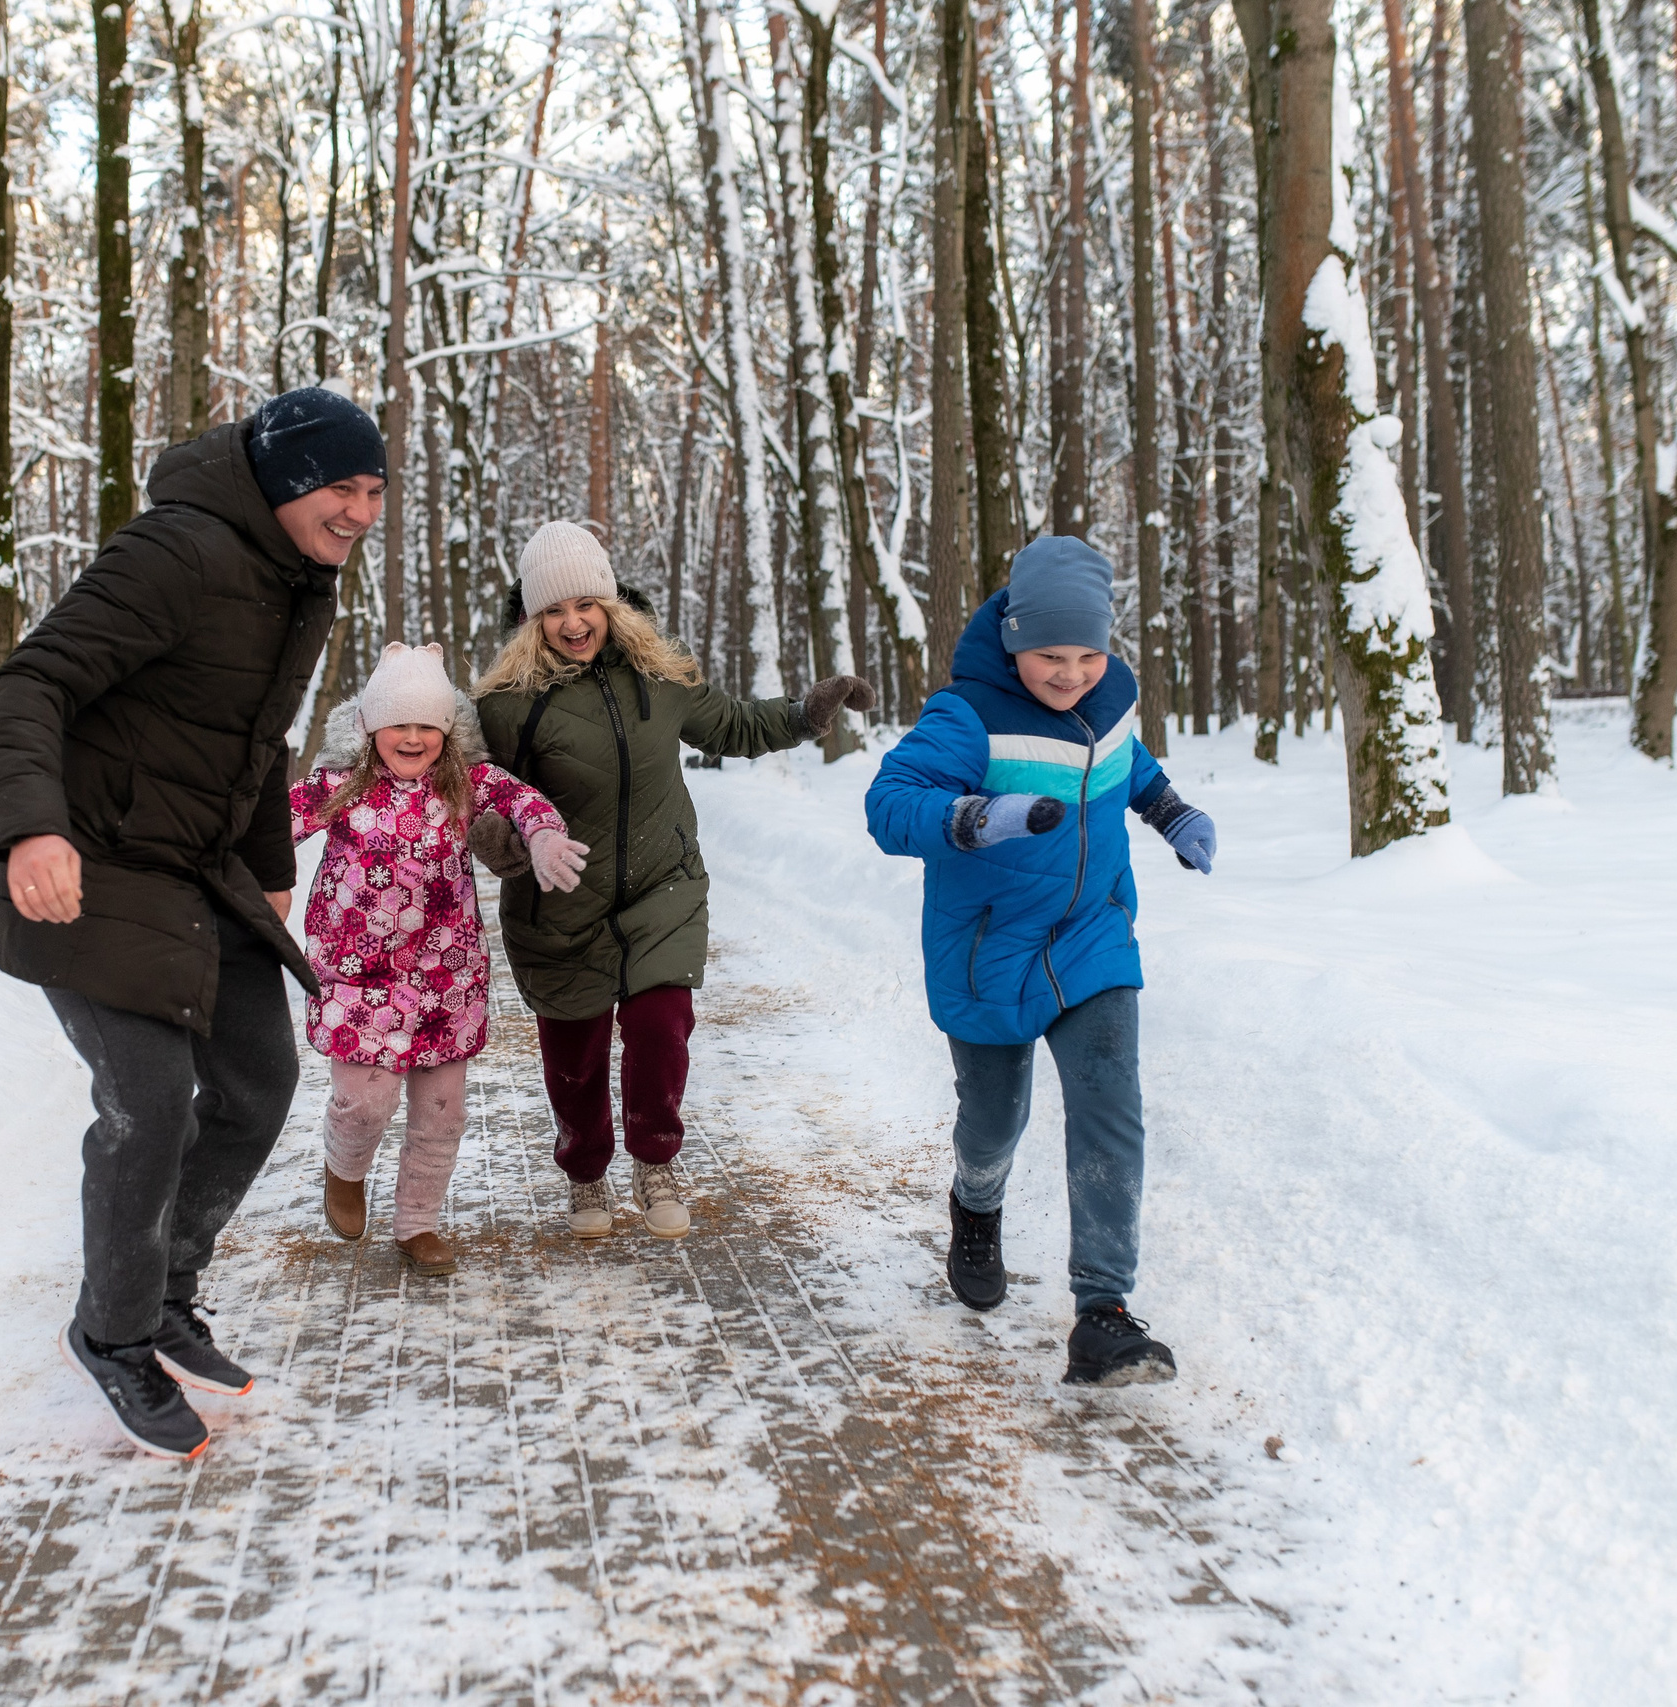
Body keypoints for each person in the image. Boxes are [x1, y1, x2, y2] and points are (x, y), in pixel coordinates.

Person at [0, 386, 385, 1460]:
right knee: (149, 1100)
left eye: (375, 489)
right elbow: (31, 684)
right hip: (88, 861)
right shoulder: (180, 552)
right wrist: (31, 830)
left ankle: (162, 1297)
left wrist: (268, 868)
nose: (359, 511)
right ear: (288, 481)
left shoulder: (299, 583)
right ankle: (109, 1334)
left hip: (196, 870)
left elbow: (253, 743)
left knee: (258, 1082)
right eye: (340, 487)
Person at [863, 535, 1218, 1387]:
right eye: (1050, 656)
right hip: (990, 952)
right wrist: (977, 817)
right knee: (995, 1121)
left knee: (1110, 1103)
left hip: (1092, 937)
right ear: (1014, 638)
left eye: (1089, 654)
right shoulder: (967, 715)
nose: (1071, 674)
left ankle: (1103, 1311)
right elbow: (889, 805)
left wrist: (1170, 812)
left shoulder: (1114, 696)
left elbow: (1128, 764)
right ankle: (975, 1205)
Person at [470, 521, 874, 1240]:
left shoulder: (663, 672)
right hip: (561, 904)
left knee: (661, 1030)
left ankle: (656, 1159)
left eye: (585, 604)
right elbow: (471, 791)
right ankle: (586, 1171)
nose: (573, 623)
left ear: (610, 602)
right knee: (575, 1057)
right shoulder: (507, 703)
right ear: (533, 620)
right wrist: (499, 841)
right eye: (554, 610)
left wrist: (806, 712)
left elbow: (736, 727)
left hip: (664, 885)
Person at [290, 641, 585, 1275]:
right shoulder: (338, 786)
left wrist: (543, 834)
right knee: (367, 1102)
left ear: (447, 731)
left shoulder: (464, 782)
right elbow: (269, 825)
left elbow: (522, 800)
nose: (415, 736)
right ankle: (344, 1170)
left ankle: (417, 1224)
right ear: (371, 724)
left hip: (444, 978)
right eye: (401, 722)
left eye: (429, 724)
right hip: (358, 978)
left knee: (443, 1113)